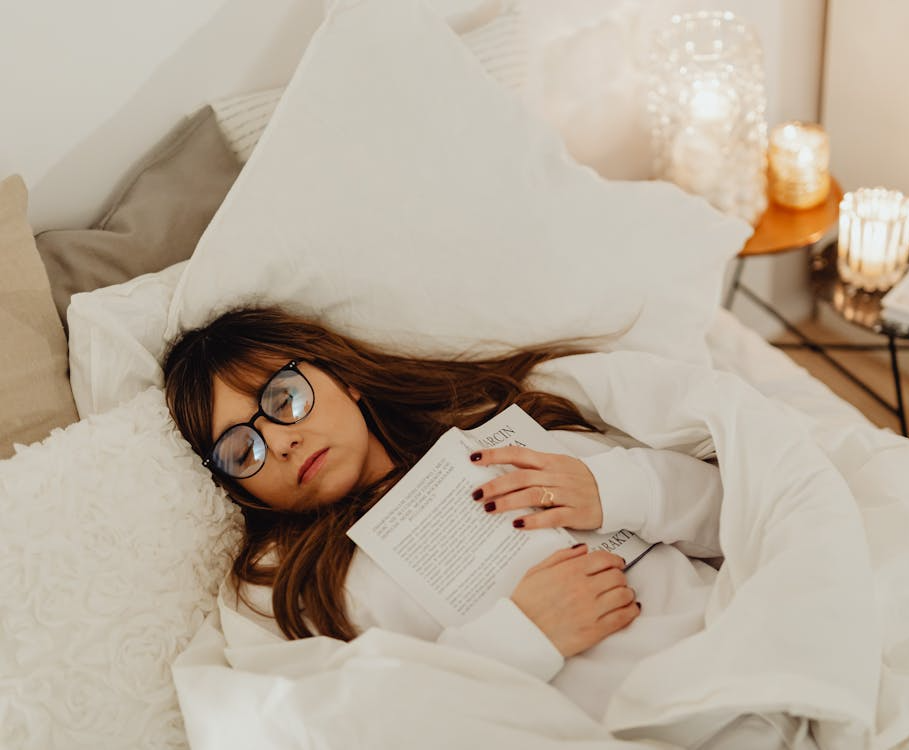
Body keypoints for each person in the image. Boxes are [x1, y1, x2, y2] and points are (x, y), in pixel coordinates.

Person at [162, 305, 752, 733]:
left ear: (342, 378)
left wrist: (614, 488)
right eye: (244, 451)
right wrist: (522, 638)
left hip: (749, 654)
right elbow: (333, 727)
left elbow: (743, 511)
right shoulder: (280, 584)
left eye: (284, 400)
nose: (282, 443)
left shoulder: (498, 427)